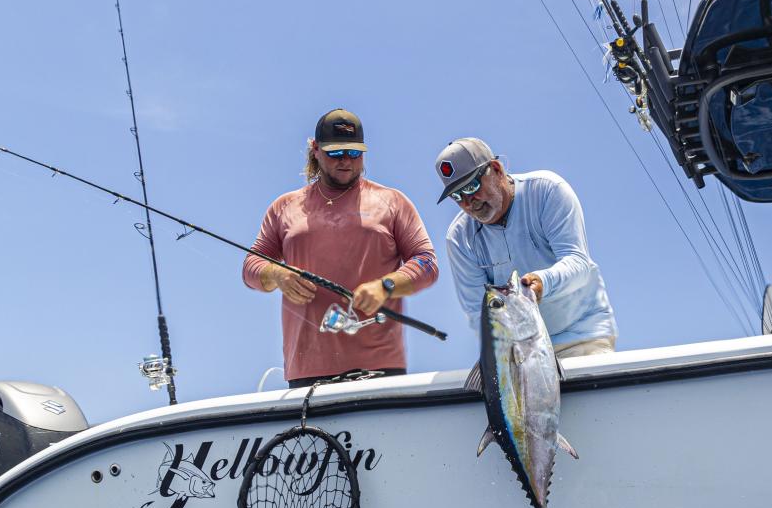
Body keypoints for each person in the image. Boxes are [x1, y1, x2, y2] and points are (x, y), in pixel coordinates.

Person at [243, 109, 439, 387]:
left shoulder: (393, 202)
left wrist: (386, 286)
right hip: (306, 371)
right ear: (315, 150)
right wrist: (277, 275)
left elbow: (427, 263)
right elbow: (251, 267)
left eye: (354, 152)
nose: (346, 160)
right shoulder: (283, 207)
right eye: (336, 153)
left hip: (381, 369)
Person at [435, 137, 616, 358]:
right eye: (457, 195)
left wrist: (542, 283)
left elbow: (578, 263)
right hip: (520, 353)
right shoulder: (458, 238)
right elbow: (478, 313)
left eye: (472, 186)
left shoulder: (548, 190)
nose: (468, 201)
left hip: (579, 336)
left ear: (496, 169)